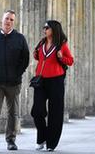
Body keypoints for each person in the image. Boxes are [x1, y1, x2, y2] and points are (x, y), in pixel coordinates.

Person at [0, 10, 30, 152]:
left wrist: (18, 73)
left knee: (12, 112)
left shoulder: (20, 38)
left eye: (12, 20)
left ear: (14, 22)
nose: (9, 21)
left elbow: (25, 59)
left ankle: (11, 140)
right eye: (7, 19)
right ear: (2, 21)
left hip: (14, 83)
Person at [31, 20, 74, 152]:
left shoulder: (62, 44)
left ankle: (51, 143)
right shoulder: (42, 43)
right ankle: (42, 136)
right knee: (37, 111)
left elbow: (70, 61)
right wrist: (36, 54)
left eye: (47, 28)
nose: (44, 30)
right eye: (44, 27)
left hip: (56, 81)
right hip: (41, 81)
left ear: (54, 29)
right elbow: (40, 58)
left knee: (55, 113)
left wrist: (61, 57)